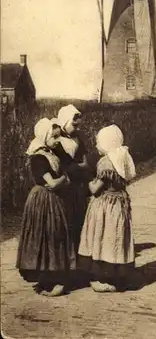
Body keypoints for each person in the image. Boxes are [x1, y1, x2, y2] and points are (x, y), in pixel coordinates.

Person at [16, 118, 76, 297]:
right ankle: (46, 276)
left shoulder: (53, 153)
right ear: (44, 137)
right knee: (44, 237)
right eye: (54, 137)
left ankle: (58, 279)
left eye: (58, 137)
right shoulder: (38, 158)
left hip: (54, 201)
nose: (58, 140)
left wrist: (64, 178)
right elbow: (52, 183)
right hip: (42, 200)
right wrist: (64, 179)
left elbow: (66, 172)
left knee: (55, 236)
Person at [78, 125, 136, 292]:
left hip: (106, 205)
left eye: (98, 142)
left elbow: (96, 188)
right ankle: (116, 273)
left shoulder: (106, 162)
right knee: (115, 238)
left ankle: (100, 276)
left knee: (102, 237)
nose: (96, 146)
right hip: (119, 204)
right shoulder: (123, 157)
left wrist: (87, 181)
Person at [55, 104, 91, 253]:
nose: (77, 128)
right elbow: (63, 165)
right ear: (64, 122)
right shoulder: (57, 141)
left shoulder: (78, 140)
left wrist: (76, 166)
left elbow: (85, 163)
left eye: (78, 126)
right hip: (66, 183)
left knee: (79, 215)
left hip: (78, 184)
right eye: (73, 125)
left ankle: (79, 248)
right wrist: (76, 166)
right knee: (66, 217)